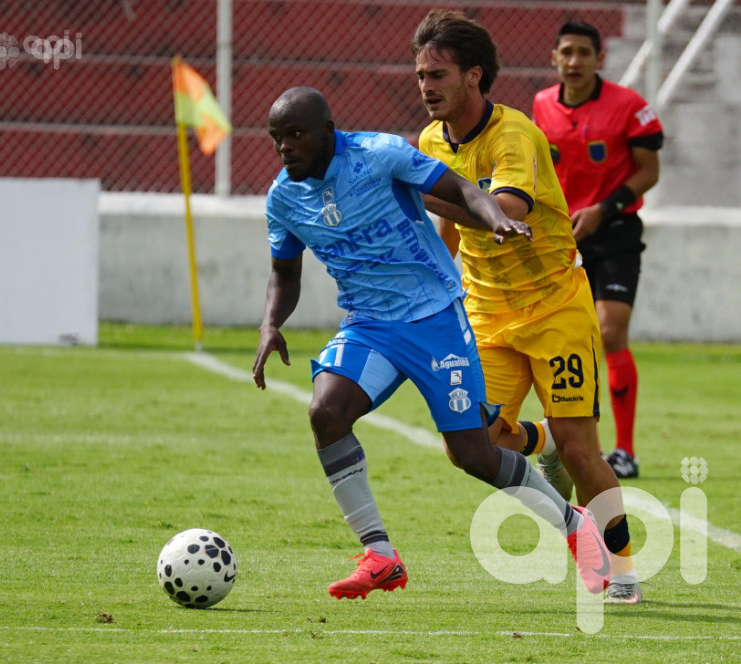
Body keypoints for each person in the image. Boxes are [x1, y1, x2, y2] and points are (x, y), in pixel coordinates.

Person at [253, 86, 611, 601]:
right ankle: (380, 556)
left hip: (435, 317)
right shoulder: (283, 198)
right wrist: (270, 324)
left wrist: (496, 219)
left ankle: (574, 526)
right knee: (326, 412)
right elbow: (283, 275)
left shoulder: (380, 155)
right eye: (276, 138)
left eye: (296, 135)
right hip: (369, 325)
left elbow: (463, 190)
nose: (285, 148)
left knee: (475, 455)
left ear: (328, 132)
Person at [411, 10, 641, 603]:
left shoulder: (514, 135)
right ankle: (546, 451)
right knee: (473, 448)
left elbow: (505, 211)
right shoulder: (432, 140)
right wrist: (435, 286)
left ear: (474, 76)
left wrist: (423, 196)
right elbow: (453, 224)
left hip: (554, 306)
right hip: (487, 314)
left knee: (580, 448)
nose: (426, 86)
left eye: (438, 74)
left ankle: (623, 569)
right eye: (420, 75)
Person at [532, 21, 664, 480]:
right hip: (561, 234)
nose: (574, 61)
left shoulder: (629, 106)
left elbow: (648, 171)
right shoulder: (541, 105)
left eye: (583, 53)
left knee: (610, 332)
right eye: (566, 52)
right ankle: (564, 441)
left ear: (599, 59)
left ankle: (624, 450)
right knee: (563, 337)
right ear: (554, 58)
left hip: (614, 231)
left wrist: (602, 211)